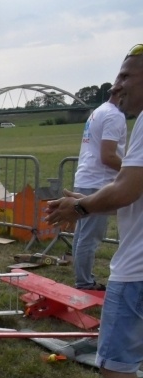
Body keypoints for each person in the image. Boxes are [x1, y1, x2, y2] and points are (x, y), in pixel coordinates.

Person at [44, 44, 143, 378]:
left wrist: (80, 206)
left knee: (117, 364)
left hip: (137, 268)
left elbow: (127, 186)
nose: (116, 85)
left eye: (126, 75)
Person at [71, 90, 127, 291]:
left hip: (87, 177)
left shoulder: (99, 111)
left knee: (82, 234)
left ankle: (82, 278)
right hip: (98, 181)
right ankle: (84, 283)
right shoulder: (114, 116)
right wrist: (133, 170)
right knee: (90, 236)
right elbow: (108, 156)